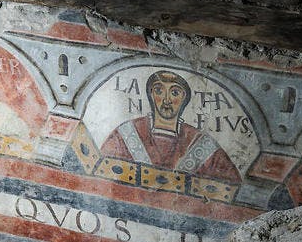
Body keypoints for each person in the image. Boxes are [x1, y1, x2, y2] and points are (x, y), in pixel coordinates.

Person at [99, 70, 241, 183]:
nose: (167, 100)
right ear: (151, 95)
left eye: (174, 92)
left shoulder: (200, 143)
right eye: (159, 91)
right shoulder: (127, 134)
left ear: (184, 99)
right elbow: (101, 173)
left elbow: (231, 184)